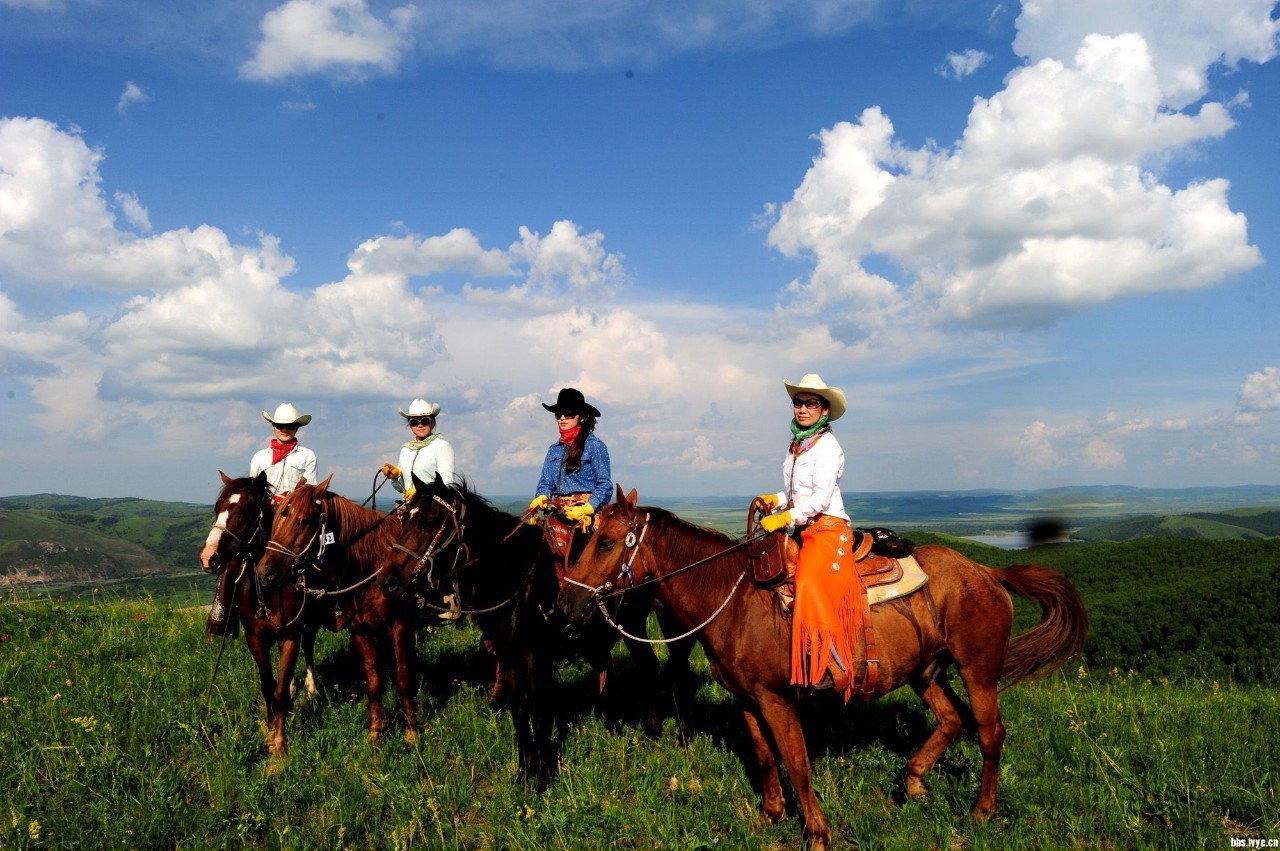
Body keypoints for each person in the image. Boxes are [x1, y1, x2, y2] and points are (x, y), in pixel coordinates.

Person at [754, 374, 862, 699]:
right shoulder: (797, 444)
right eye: (798, 402)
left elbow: (820, 499)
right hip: (803, 525)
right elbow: (795, 492)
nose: (802, 408)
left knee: (808, 582)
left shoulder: (828, 447)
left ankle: (832, 662)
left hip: (828, 527)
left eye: (810, 403)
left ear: (824, 410)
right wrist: (776, 500)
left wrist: (786, 516)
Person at [528, 387, 613, 535]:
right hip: (557, 512)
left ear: (582, 417)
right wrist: (542, 496)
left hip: (585, 517)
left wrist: (589, 507)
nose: (562, 417)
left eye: (568, 413)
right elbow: (545, 483)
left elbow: (604, 484)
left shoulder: (595, 446)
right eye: (558, 414)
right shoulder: (554, 449)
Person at [381, 399, 456, 501]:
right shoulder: (406, 450)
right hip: (408, 506)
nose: (420, 425)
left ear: (432, 422)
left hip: (430, 506)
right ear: (410, 425)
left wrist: (421, 492)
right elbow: (400, 488)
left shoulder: (442, 446)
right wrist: (396, 476)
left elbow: (447, 482)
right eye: (414, 422)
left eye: (425, 421)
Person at [249, 402, 318, 501]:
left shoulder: (307, 456)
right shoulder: (259, 457)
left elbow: (310, 489)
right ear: (273, 427)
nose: (284, 430)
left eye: (290, 426)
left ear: (297, 428)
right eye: (280, 426)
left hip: (294, 511)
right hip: (266, 509)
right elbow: (253, 489)